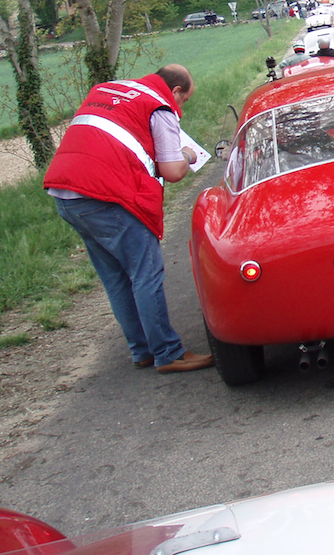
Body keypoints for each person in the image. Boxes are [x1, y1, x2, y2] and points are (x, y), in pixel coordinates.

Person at [43, 64, 214, 374]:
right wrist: (188, 154)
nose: (182, 108)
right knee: (145, 272)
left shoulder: (107, 90)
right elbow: (173, 171)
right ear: (175, 91)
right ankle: (168, 352)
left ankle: (143, 350)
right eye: (184, 100)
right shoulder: (159, 106)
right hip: (105, 196)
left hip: (65, 192)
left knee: (115, 278)